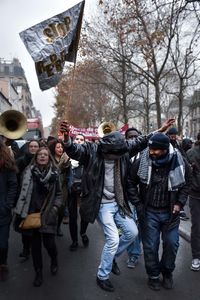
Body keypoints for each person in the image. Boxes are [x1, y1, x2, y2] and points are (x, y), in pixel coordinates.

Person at [59, 119, 174, 292]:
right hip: (101, 203)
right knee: (113, 239)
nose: (116, 157)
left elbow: (142, 140)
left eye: (118, 154)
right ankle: (102, 275)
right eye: (112, 155)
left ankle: (111, 258)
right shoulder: (92, 150)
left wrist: (161, 130)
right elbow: (75, 150)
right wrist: (67, 138)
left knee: (132, 232)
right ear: (105, 149)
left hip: (118, 201)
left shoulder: (123, 150)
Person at [127, 132, 191, 291]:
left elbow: (186, 184)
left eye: (155, 150)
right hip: (148, 212)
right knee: (150, 246)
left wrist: (179, 202)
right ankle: (153, 275)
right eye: (150, 149)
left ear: (164, 149)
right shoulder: (142, 160)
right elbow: (130, 182)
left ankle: (167, 272)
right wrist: (138, 204)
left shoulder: (179, 160)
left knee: (172, 244)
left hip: (171, 213)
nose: (151, 152)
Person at [14, 147, 62, 287]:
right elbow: (21, 191)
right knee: (35, 247)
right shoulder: (28, 172)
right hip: (31, 214)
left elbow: (59, 194)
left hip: (47, 214)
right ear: (36, 157)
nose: (42, 156)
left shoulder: (54, 174)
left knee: (49, 244)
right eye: (39, 154)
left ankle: (54, 259)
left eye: (45, 155)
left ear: (48, 157)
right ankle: (38, 273)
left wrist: (55, 209)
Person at [16, 139, 40, 259]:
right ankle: (26, 249)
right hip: (24, 199)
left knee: (36, 225)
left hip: (38, 200)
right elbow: (15, 179)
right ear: (28, 148)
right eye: (31, 146)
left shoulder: (43, 160)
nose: (33, 148)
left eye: (36, 146)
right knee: (24, 225)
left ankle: (35, 248)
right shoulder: (21, 161)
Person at [67, 134, 90, 251]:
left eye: (82, 139)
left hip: (84, 189)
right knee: (72, 217)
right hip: (71, 190)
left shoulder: (88, 155)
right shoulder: (66, 155)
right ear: (73, 140)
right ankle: (74, 241)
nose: (79, 141)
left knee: (84, 214)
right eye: (77, 139)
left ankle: (83, 233)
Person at [0, 140, 18, 281]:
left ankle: (3, 263)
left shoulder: (6, 165)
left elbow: (13, 186)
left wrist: (7, 205)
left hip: (2, 212)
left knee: (2, 243)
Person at [125, 128, 142, 268]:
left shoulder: (147, 154)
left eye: (136, 137)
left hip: (143, 198)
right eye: (130, 137)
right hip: (127, 197)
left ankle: (138, 246)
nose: (133, 139)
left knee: (141, 226)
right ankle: (133, 254)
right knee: (132, 226)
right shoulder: (121, 155)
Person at [48, 139, 71, 236]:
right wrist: (61, 164)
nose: (60, 149)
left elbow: (69, 174)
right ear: (54, 148)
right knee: (50, 208)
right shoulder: (50, 159)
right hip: (51, 187)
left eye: (61, 147)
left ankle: (58, 227)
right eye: (58, 147)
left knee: (61, 208)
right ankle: (50, 227)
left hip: (63, 187)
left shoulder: (67, 158)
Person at [166, 127, 189, 220]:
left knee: (180, 187)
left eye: (175, 136)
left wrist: (187, 163)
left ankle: (179, 206)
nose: (174, 138)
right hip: (171, 169)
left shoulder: (176, 144)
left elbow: (182, 154)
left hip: (179, 168)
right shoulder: (167, 144)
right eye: (172, 136)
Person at [186, 132, 200, 271]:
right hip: (196, 194)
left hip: (195, 194)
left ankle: (196, 257)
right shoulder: (191, 153)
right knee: (196, 227)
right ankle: (196, 257)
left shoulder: (190, 152)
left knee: (196, 226)